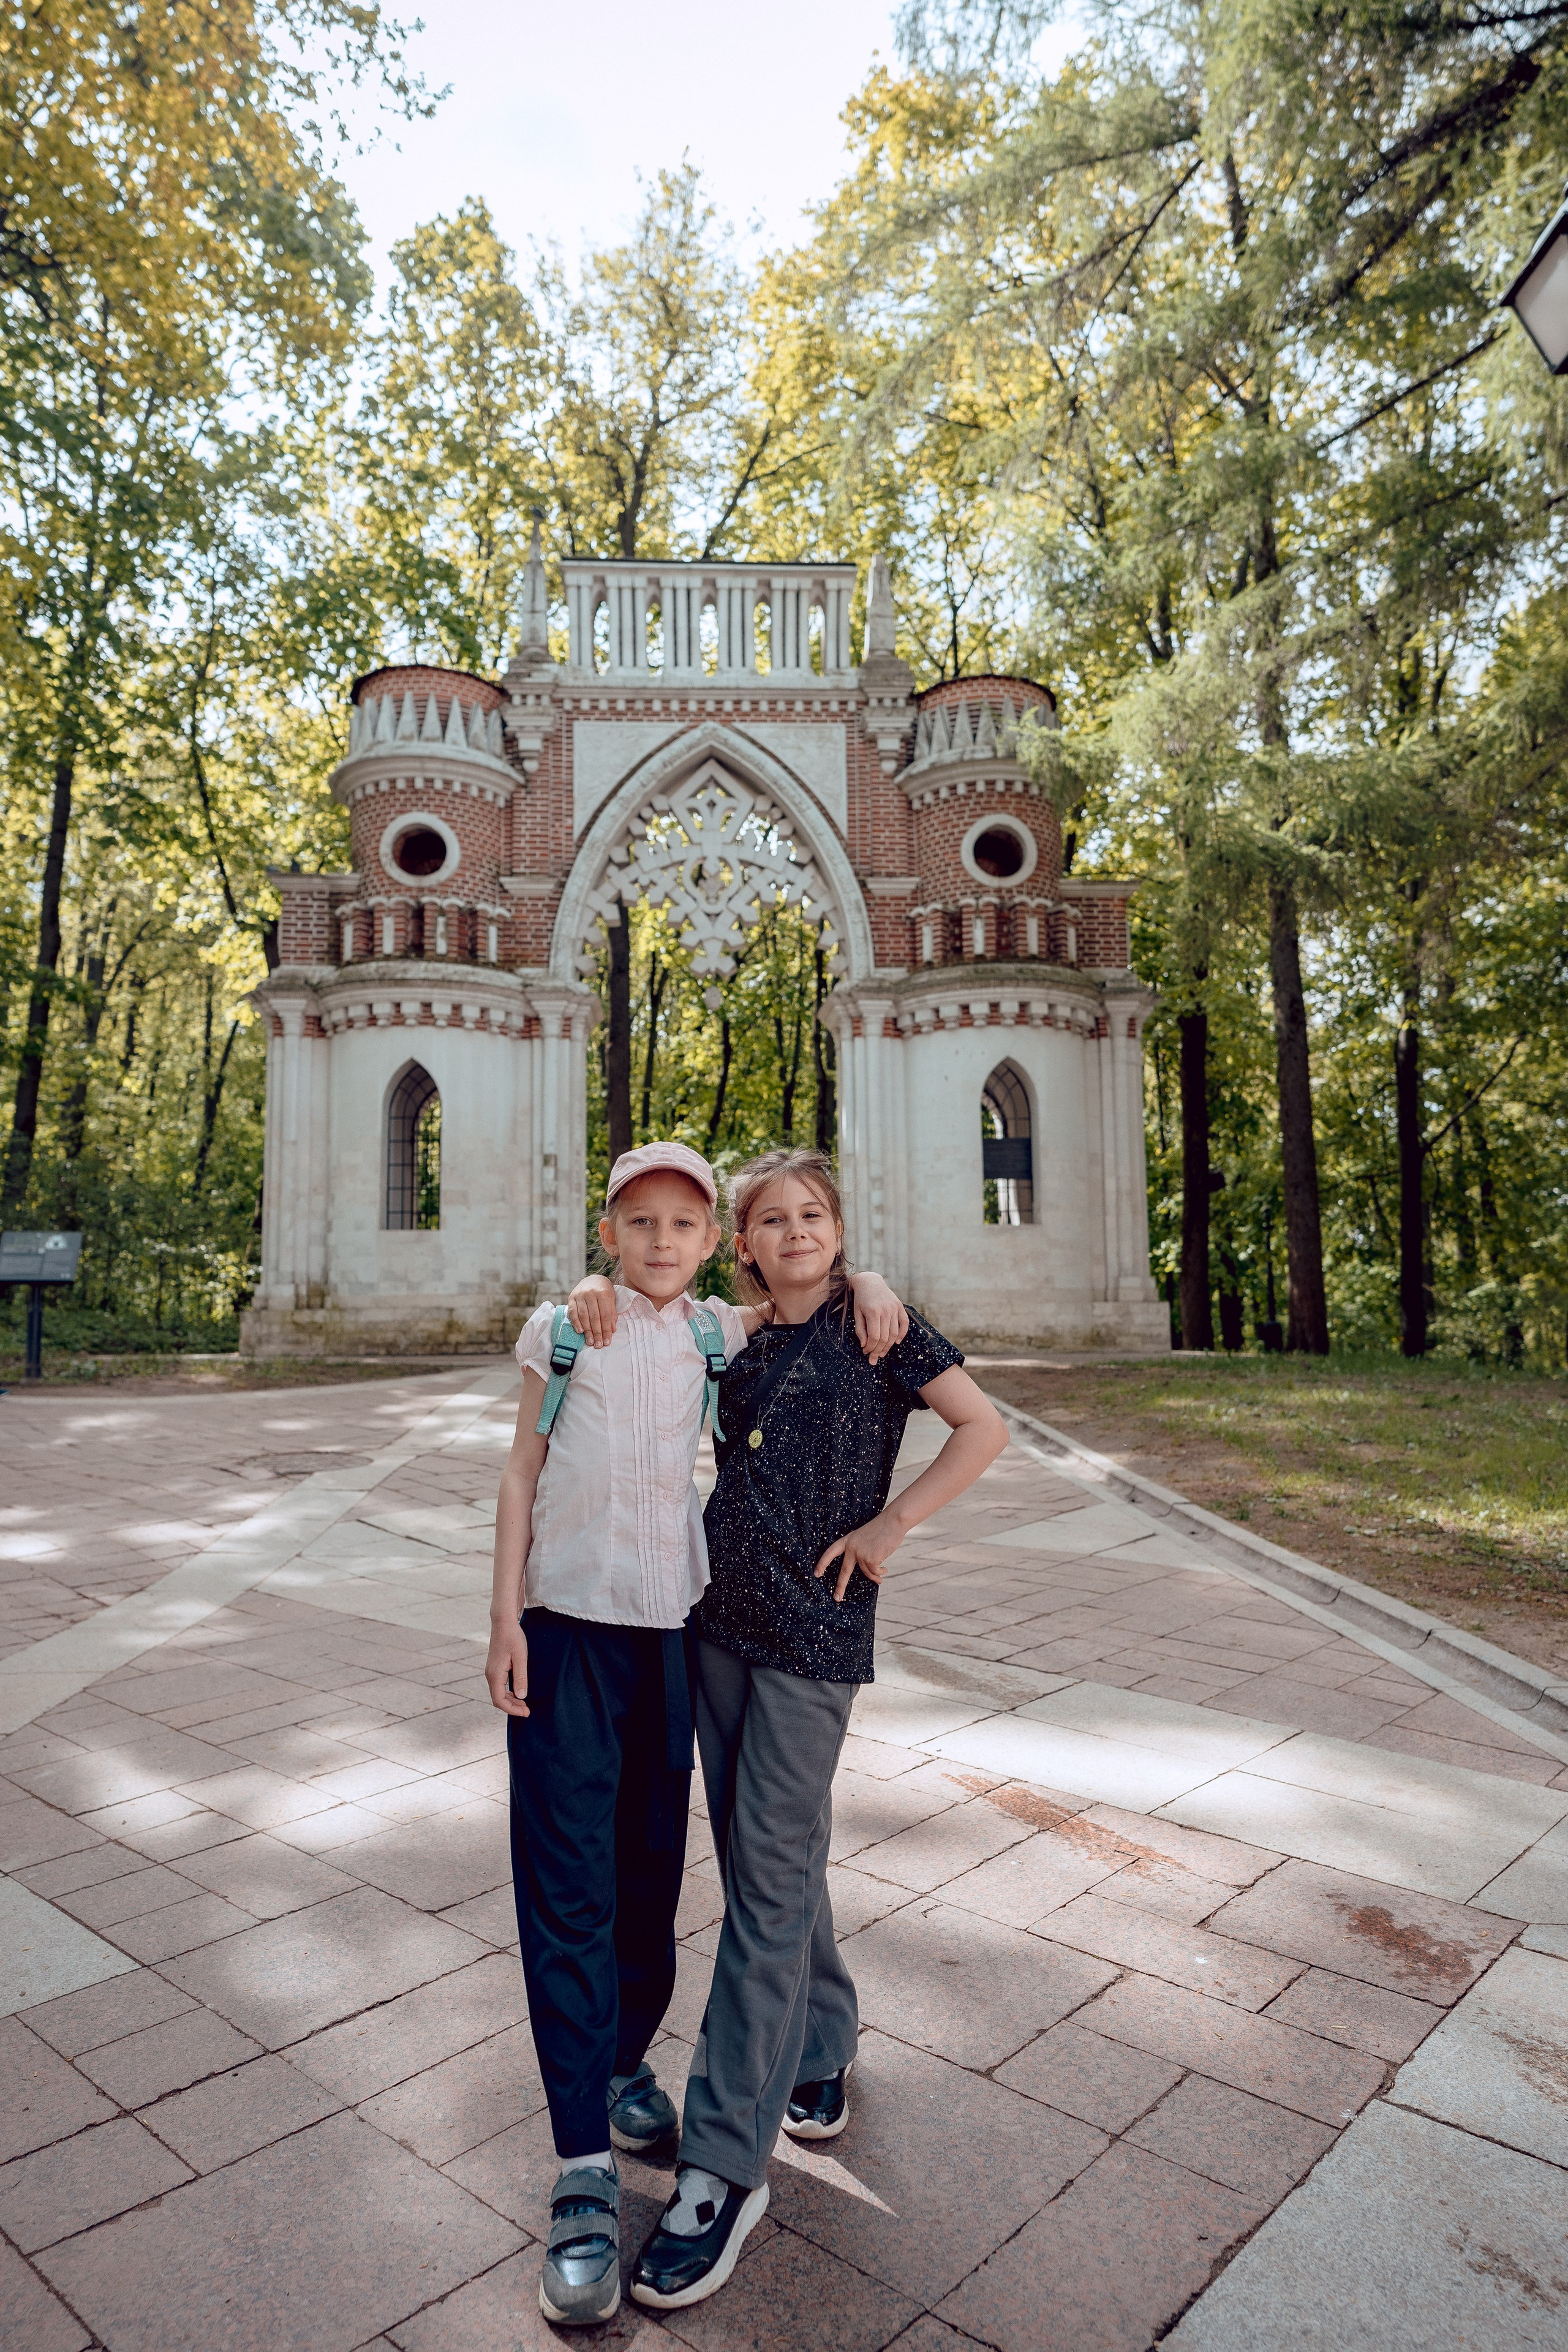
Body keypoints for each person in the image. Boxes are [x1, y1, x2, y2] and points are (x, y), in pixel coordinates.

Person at [486, 1139, 907, 2326]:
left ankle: (623, 2063)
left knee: (651, 1873)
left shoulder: (720, 1334)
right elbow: (519, 1474)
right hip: (564, 1633)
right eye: (638, 1224)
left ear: (709, 1243)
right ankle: (579, 2168)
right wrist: (502, 1618)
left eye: (683, 1224)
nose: (660, 1241)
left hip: (673, 1635)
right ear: (608, 1233)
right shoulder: (565, 1329)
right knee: (565, 1880)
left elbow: (803, 1288)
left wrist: (872, 1280)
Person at [625, 1147, 1009, 2312]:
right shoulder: (733, 1338)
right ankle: (826, 2040)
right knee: (768, 1854)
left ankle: (726, 2168)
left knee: (768, 1885)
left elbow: (982, 1431)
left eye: (814, 1214)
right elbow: (652, 1308)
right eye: (771, 1220)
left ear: (839, 1228)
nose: (795, 1231)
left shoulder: (884, 1327)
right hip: (714, 1619)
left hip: (815, 1631)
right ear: (743, 1243)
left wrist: (891, 1526)